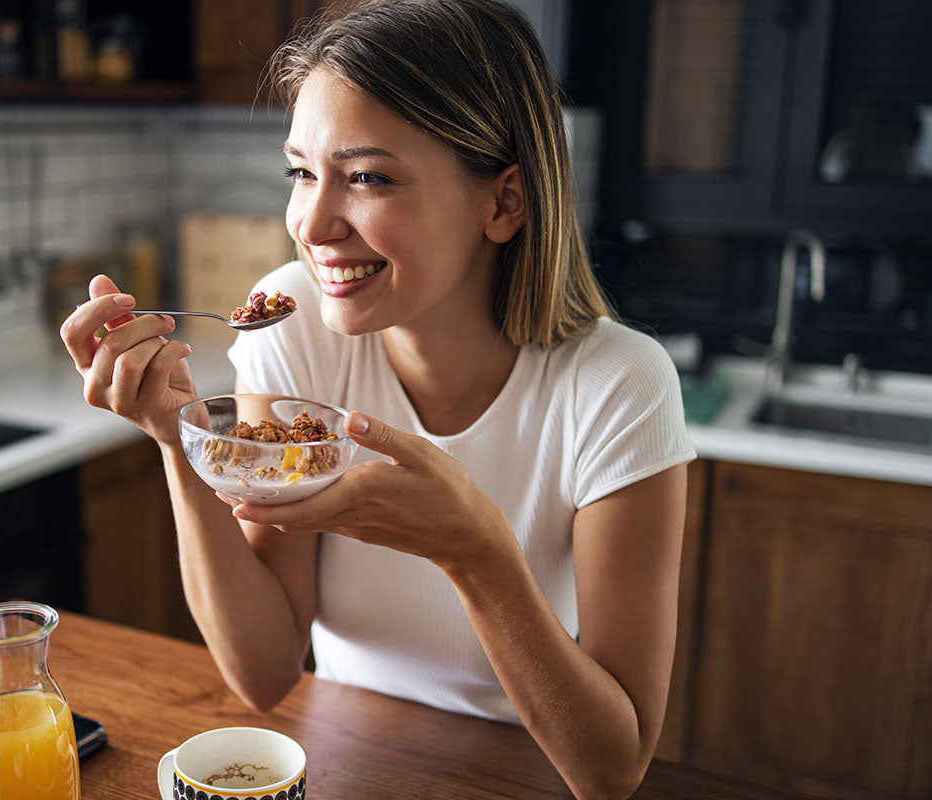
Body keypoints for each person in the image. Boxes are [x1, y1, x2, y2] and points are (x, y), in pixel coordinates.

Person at [60, 1, 695, 797]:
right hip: (347, 759)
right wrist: (179, 440)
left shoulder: (619, 387)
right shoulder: (291, 331)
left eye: (366, 177)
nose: (313, 223)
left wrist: (476, 552)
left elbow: (612, 768)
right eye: (301, 172)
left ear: (505, 203)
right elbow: (262, 674)